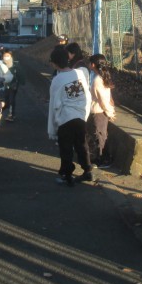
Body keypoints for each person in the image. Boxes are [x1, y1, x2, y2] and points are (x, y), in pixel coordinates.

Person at [48, 47, 93, 185]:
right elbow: (86, 96)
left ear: (54, 63)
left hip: (65, 119)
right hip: (80, 116)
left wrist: (52, 128)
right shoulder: (79, 73)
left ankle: (67, 175)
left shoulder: (57, 80)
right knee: (82, 145)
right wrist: (84, 114)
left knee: (66, 148)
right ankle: (87, 171)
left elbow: (54, 105)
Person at [87, 54, 115, 168]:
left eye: (89, 63)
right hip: (101, 112)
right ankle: (103, 158)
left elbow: (103, 100)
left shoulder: (97, 80)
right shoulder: (102, 77)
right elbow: (108, 97)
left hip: (98, 112)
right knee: (101, 135)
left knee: (99, 136)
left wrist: (110, 112)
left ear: (93, 65)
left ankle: (103, 160)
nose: (88, 64)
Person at [0, 48, 25, 121]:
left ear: (11, 56)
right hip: (3, 85)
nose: (6, 57)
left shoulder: (15, 64)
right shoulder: (0, 64)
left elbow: (20, 73)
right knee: (5, 101)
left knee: (11, 100)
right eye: (5, 56)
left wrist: (22, 81)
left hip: (13, 85)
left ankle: (11, 115)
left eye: (8, 56)